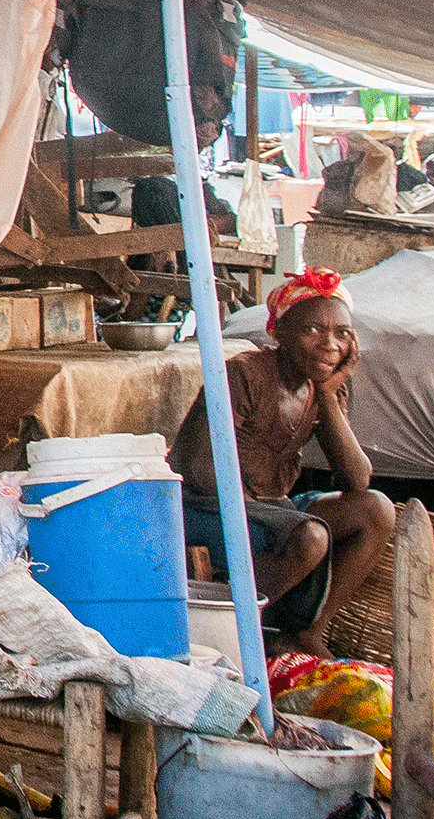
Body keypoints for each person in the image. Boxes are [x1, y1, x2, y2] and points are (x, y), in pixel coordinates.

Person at [168, 267, 395, 658]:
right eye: (312, 331)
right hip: (203, 507)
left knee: (376, 510)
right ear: (280, 331)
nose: (330, 345)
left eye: (342, 334)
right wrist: (284, 523)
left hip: (273, 507)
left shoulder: (318, 387)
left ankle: (305, 632)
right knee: (310, 537)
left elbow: (357, 479)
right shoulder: (245, 373)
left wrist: (326, 395)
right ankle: (242, 632)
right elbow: (206, 474)